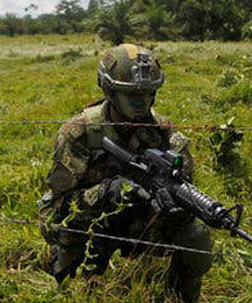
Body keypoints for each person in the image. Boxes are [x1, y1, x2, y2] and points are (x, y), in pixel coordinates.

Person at [38, 44, 212, 303]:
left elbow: (184, 181)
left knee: (195, 235)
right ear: (109, 90)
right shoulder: (80, 133)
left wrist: (174, 203)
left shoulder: (162, 132)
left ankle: (179, 297)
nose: (142, 102)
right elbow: (55, 214)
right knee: (69, 283)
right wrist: (108, 192)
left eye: (148, 93)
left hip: (138, 222)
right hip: (90, 225)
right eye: (132, 95)